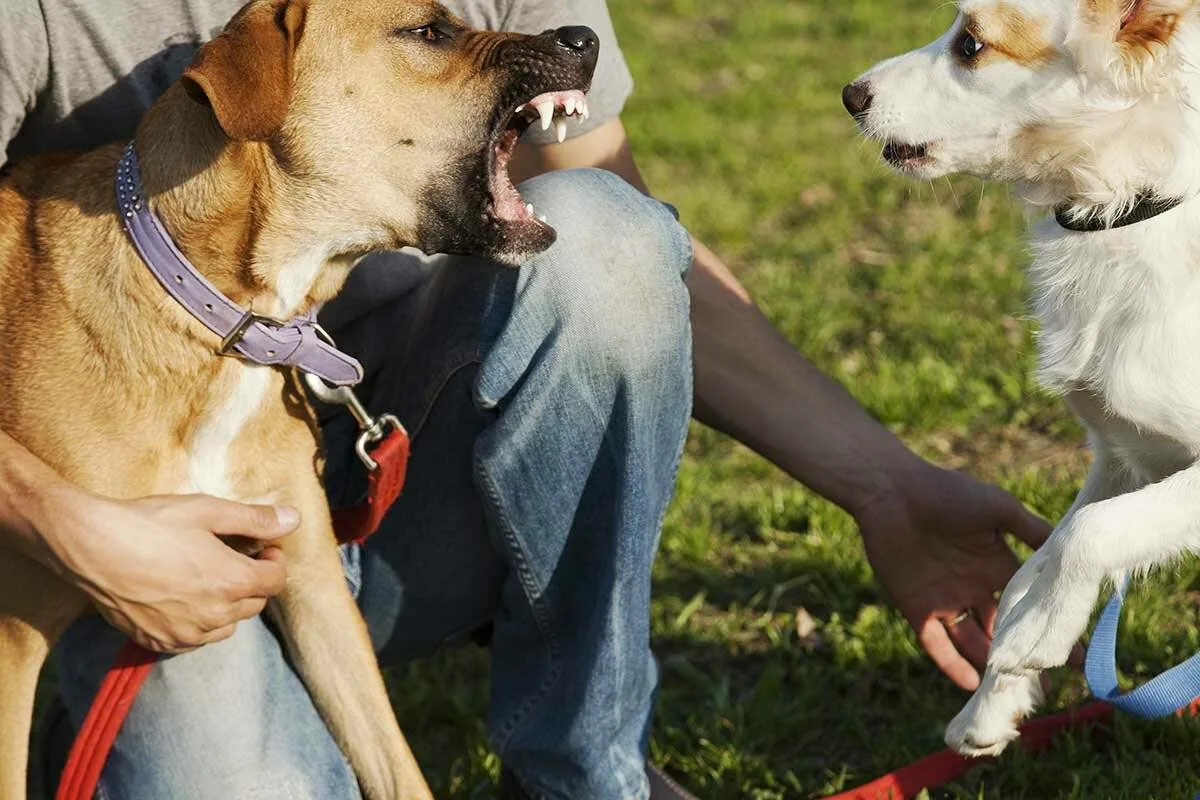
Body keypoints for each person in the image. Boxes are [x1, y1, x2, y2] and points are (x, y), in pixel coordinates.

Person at [0, 0, 1051, 798]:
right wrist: (67, 527)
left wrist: (885, 484)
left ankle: (591, 768)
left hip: (393, 471)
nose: (468, 37)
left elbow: (635, 259)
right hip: (111, 542)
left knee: (604, 236)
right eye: (425, 32)